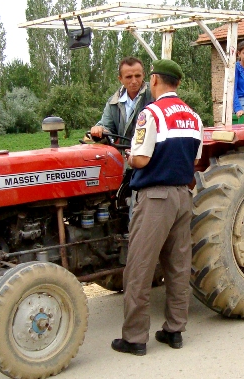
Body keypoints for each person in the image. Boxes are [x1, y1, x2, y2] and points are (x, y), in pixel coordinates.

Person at [111, 59, 203, 356]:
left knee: (140, 266)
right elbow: (197, 160)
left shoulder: (150, 114)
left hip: (155, 199)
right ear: (177, 83)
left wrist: (128, 157)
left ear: (154, 80)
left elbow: (140, 159)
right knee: (178, 266)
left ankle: (135, 337)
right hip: (182, 197)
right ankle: (174, 331)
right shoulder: (193, 117)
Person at [90, 57, 154, 141]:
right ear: (120, 79)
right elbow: (107, 127)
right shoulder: (113, 102)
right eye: (129, 77)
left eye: (137, 76)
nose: (134, 81)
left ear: (143, 75)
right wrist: (100, 131)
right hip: (123, 152)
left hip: (149, 152)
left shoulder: (154, 94)